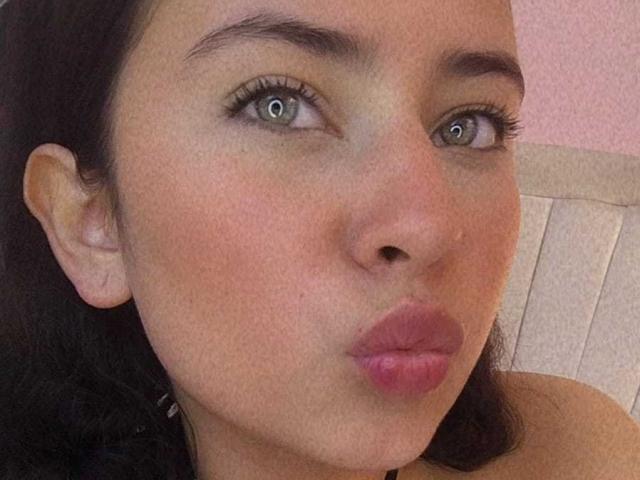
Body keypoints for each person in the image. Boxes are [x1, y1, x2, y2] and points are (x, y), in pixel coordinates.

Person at [1, 1, 638, 479]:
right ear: (91, 221)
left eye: (469, 125)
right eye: (278, 105)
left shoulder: (582, 453)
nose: (428, 227)